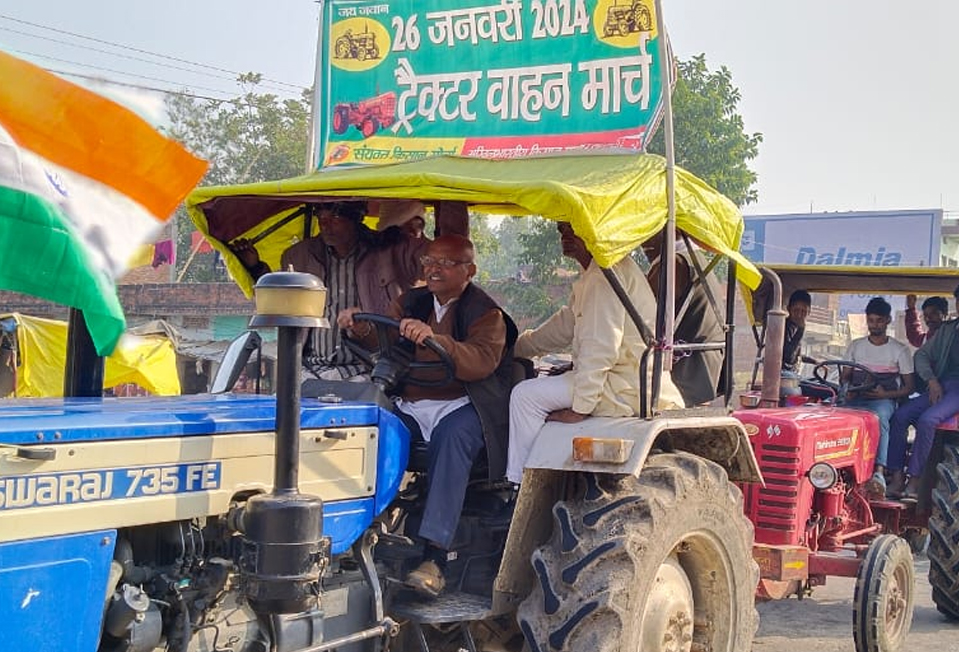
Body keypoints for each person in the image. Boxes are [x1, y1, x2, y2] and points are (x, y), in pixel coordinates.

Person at [340, 234, 515, 598]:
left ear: (469, 271)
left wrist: (437, 340)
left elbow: (481, 361)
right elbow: (386, 338)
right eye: (428, 262)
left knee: (452, 438)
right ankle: (356, 532)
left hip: (463, 403)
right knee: (370, 429)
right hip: (412, 401)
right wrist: (361, 328)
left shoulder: (487, 314)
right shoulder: (412, 301)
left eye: (444, 263)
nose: (433, 269)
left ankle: (434, 559)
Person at [506, 222, 683, 484]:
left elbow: (600, 347)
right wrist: (514, 349)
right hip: (624, 379)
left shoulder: (604, 274)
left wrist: (581, 407)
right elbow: (564, 327)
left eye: (574, 228)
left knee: (525, 397)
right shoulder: (598, 272)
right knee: (541, 382)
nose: (566, 236)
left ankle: (522, 486)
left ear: (594, 229)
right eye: (562, 230)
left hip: (624, 385)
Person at [230, 201, 429, 380]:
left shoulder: (391, 250)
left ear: (357, 217)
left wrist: (410, 225)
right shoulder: (298, 255)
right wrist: (256, 267)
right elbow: (280, 303)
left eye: (335, 217)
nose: (325, 225)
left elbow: (435, 259)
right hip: (309, 370)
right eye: (321, 218)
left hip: (368, 371)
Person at [886, 280, 959, 501]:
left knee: (928, 420)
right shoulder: (949, 330)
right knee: (900, 416)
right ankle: (896, 476)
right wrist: (931, 380)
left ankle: (916, 481)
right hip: (943, 384)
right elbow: (922, 355)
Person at [841, 297, 916, 494]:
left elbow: (909, 387)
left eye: (879, 321)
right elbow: (845, 377)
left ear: (888, 320)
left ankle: (879, 472)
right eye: (871, 320)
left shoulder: (899, 350)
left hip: (884, 400)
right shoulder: (856, 346)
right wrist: (847, 388)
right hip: (857, 397)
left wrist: (885, 394)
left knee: (879, 418)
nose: (874, 325)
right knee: (836, 416)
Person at [642, 230, 725, 406]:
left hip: (687, 371)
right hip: (703, 367)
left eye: (651, 232)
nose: (643, 242)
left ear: (674, 230)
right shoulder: (694, 259)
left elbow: (642, 312)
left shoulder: (674, 263)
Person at [782, 290, 812, 373]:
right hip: (783, 374)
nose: (799, 315)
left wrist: (815, 362)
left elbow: (796, 355)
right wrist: (801, 330)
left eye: (803, 311)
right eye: (796, 310)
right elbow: (788, 357)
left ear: (809, 312)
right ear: (788, 309)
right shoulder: (783, 327)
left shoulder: (795, 327)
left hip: (793, 373)